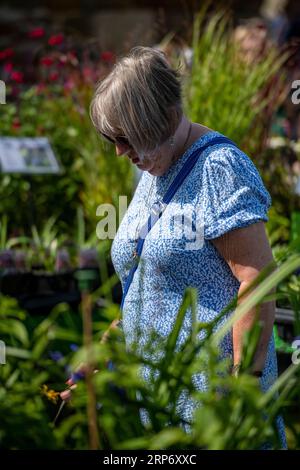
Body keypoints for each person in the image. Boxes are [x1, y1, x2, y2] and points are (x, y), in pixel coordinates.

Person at [89, 46, 286, 447]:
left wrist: (238, 396)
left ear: (162, 119)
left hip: (212, 407)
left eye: (126, 138)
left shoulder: (219, 168)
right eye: (114, 139)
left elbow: (257, 282)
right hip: (159, 402)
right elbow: (149, 276)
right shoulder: (154, 167)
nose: (119, 152)